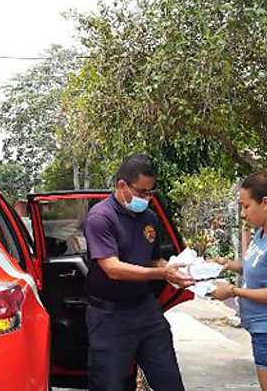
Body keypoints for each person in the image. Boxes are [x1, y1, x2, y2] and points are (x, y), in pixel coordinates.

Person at [84, 153, 193, 391]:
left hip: (146, 311)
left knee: (169, 380)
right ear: (122, 185)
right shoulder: (101, 218)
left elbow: (153, 259)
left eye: (150, 193)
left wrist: (173, 268)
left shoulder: (150, 218)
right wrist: (162, 274)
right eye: (142, 192)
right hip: (109, 316)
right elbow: (112, 269)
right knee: (108, 384)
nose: (146, 198)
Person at [209, 160, 267, 391]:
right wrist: (229, 265)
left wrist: (232, 291)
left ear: (265, 203)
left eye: (245, 206)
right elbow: (260, 269)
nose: (243, 213)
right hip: (264, 328)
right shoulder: (263, 233)